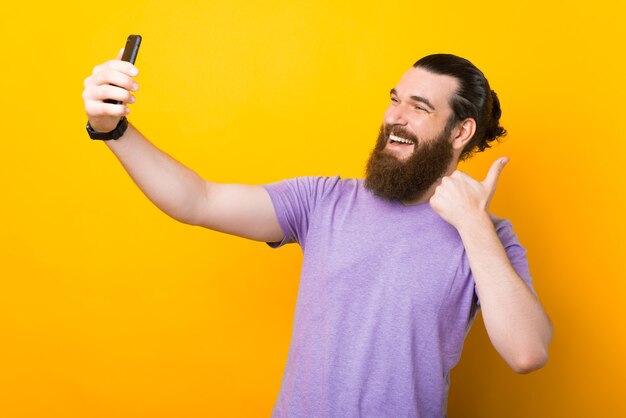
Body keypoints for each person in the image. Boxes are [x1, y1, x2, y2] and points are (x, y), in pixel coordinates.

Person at [82, 52, 552, 417]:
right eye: (394, 99)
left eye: (418, 107)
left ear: (460, 131)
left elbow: (527, 351)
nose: (395, 117)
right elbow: (197, 201)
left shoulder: (488, 237)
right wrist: (113, 129)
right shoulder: (322, 201)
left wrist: (472, 223)